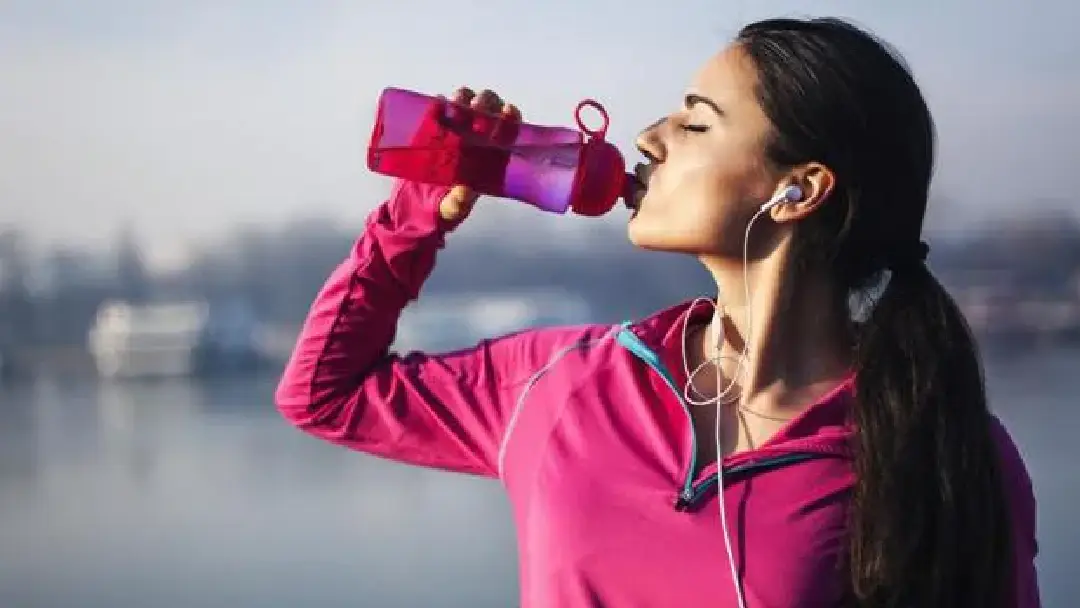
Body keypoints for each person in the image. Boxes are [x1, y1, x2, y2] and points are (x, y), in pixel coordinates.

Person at [275, 16, 1040, 608]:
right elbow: (323, 394)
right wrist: (414, 217)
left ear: (798, 189)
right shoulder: (562, 381)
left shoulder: (935, 444)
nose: (647, 138)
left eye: (697, 122)